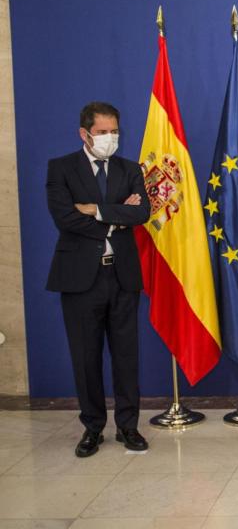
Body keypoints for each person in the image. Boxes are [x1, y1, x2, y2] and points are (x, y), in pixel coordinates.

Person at [45, 101, 151, 457]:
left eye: (114, 132)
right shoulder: (61, 169)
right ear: (84, 133)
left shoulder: (129, 168)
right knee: (86, 357)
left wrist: (94, 209)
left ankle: (128, 426)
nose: (110, 138)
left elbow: (141, 212)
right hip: (80, 278)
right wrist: (116, 217)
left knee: (125, 355)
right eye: (102, 133)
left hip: (121, 276)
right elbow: (65, 218)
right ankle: (92, 427)